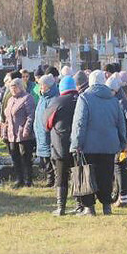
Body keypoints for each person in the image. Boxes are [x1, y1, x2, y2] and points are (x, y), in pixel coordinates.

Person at [70, 70, 126, 215]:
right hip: (109, 144)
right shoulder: (113, 99)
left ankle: (89, 207)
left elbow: (80, 123)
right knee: (106, 175)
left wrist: (76, 143)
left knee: (88, 175)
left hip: (89, 144)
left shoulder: (84, 98)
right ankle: (106, 206)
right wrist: (122, 141)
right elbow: (121, 122)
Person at [45, 76, 79, 215]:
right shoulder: (81, 99)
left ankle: (61, 207)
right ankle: (80, 204)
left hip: (61, 144)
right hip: (79, 145)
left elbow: (46, 123)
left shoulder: (57, 102)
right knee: (78, 175)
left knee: (61, 176)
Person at [109, 76, 127, 206]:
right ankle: (124, 195)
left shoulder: (122, 102)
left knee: (120, 166)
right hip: (119, 140)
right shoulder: (116, 100)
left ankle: (124, 196)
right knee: (120, 167)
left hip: (123, 142)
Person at [2, 78, 36, 187]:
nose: (12, 90)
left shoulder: (27, 98)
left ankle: (28, 180)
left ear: (20, 87)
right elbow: (7, 117)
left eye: (14, 87)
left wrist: (26, 129)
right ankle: (19, 179)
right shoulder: (10, 100)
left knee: (25, 157)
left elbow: (30, 116)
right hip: (12, 134)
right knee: (15, 157)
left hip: (23, 135)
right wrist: (5, 132)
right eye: (11, 88)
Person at [33, 73, 57, 187]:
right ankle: (49, 178)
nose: (40, 88)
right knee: (45, 158)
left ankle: (52, 179)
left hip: (48, 132)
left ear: (48, 86)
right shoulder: (42, 97)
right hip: (40, 131)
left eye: (42, 85)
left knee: (50, 158)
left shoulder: (53, 98)